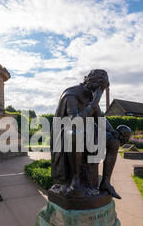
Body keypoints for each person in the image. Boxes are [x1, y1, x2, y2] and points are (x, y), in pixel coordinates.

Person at [51, 69, 131, 199]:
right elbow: (74, 122)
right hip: (66, 135)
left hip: (85, 132)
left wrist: (112, 132)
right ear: (93, 84)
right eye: (100, 89)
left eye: (102, 90)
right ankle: (75, 180)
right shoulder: (71, 94)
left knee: (113, 142)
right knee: (76, 133)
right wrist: (94, 103)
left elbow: (100, 119)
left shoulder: (91, 96)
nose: (101, 93)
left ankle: (105, 182)